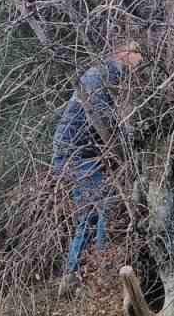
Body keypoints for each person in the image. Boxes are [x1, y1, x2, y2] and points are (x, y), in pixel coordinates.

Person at [52, 42, 144, 282]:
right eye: (138, 54)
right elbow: (104, 119)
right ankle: (103, 271)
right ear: (124, 53)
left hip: (74, 155)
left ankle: (72, 275)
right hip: (75, 155)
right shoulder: (101, 76)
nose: (141, 60)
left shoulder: (104, 75)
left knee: (89, 216)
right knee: (109, 204)